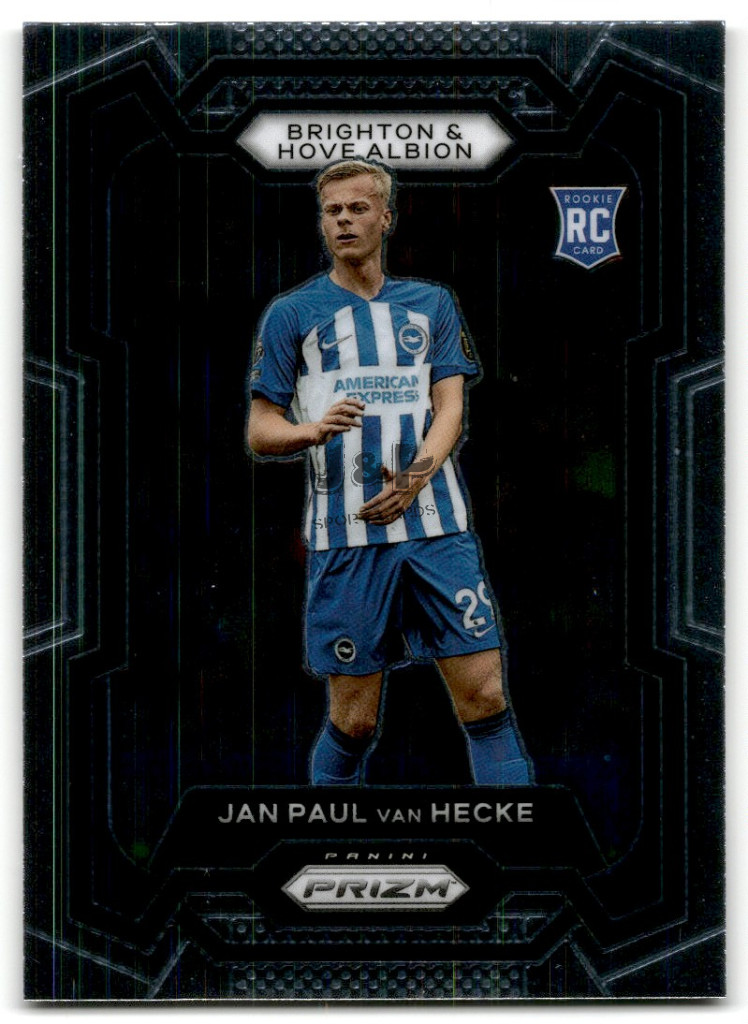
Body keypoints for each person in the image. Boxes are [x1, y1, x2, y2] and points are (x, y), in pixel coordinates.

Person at [247, 158, 533, 786]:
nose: (343, 220)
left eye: (357, 208)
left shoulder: (432, 303)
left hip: (437, 528)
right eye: (332, 211)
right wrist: (309, 431)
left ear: (386, 217)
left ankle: (518, 834)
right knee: (354, 721)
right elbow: (260, 428)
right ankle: (327, 829)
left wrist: (412, 480)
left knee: (485, 695)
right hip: (346, 537)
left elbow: (451, 408)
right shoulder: (292, 313)